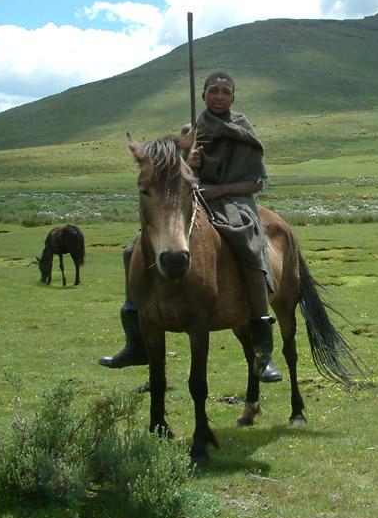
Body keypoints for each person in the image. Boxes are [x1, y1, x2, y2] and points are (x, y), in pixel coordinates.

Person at [99, 71, 283, 383]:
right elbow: (174, 172)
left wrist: (219, 190)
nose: (219, 96)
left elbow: (255, 183)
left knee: (250, 249)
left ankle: (263, 351)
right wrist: (190, 165)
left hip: (235, 203)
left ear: (233, 98)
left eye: (226, 91)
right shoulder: (190, 133)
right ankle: (134, 338)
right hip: (192, 199)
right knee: (133, 249)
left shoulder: (243, 131)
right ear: (203, 96)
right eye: (213, 90)